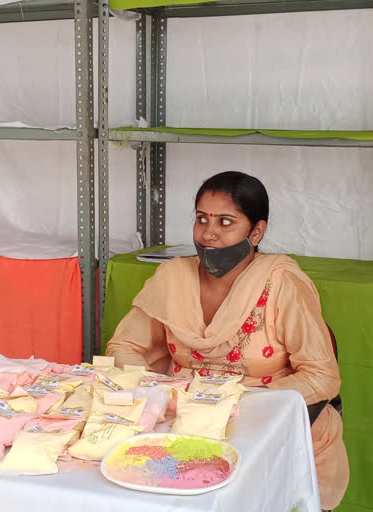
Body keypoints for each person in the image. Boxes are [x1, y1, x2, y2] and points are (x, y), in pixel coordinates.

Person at [105, 171, 348, 510]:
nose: (209, 233)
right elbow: (124, 348)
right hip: (187, 420)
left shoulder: (281, 283)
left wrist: (234, 404)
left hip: (268, 422)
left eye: (225, 221)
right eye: (202, 219)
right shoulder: (173, 277)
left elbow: (322, 376)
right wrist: (164, 393)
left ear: (257, 231)